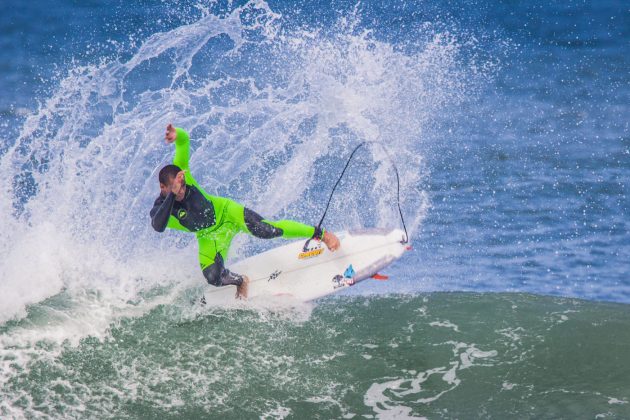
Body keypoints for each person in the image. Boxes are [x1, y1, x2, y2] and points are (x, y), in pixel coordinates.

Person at [150, 124, 340, 299]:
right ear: (162, 187)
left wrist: (178, 134)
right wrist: (172, 196)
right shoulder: (160, 209)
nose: (181, 192)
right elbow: (158, 226)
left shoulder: (184, 175)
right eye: (176, 189)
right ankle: (241, 281)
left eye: (182, 187)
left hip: (227, 213)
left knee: (267, 231)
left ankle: (320, 234)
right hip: (209, 236)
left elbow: (184, 141)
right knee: (213, 277)